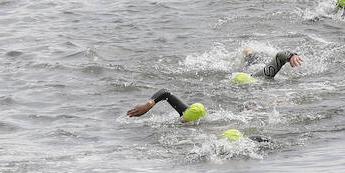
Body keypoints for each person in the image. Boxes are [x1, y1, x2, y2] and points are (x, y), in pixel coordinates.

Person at [126, 48, 302, 119]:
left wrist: (291, 55)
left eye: (184, 120)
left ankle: (248, 52)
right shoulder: (197, 116)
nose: (183, 122)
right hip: (241, 93)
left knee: (254, 65)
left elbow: (280, 56)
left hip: (250, 79)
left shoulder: (188, 114)